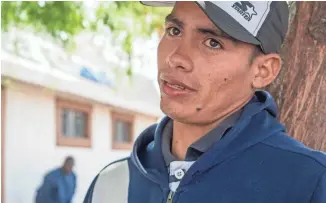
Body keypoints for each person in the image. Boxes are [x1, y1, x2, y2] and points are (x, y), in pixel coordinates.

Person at [84, 1, 326, 203]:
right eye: (174, 31)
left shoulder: (308, 183)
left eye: (213, 43)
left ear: (263, 71)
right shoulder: (111, 184)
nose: (176, 58)